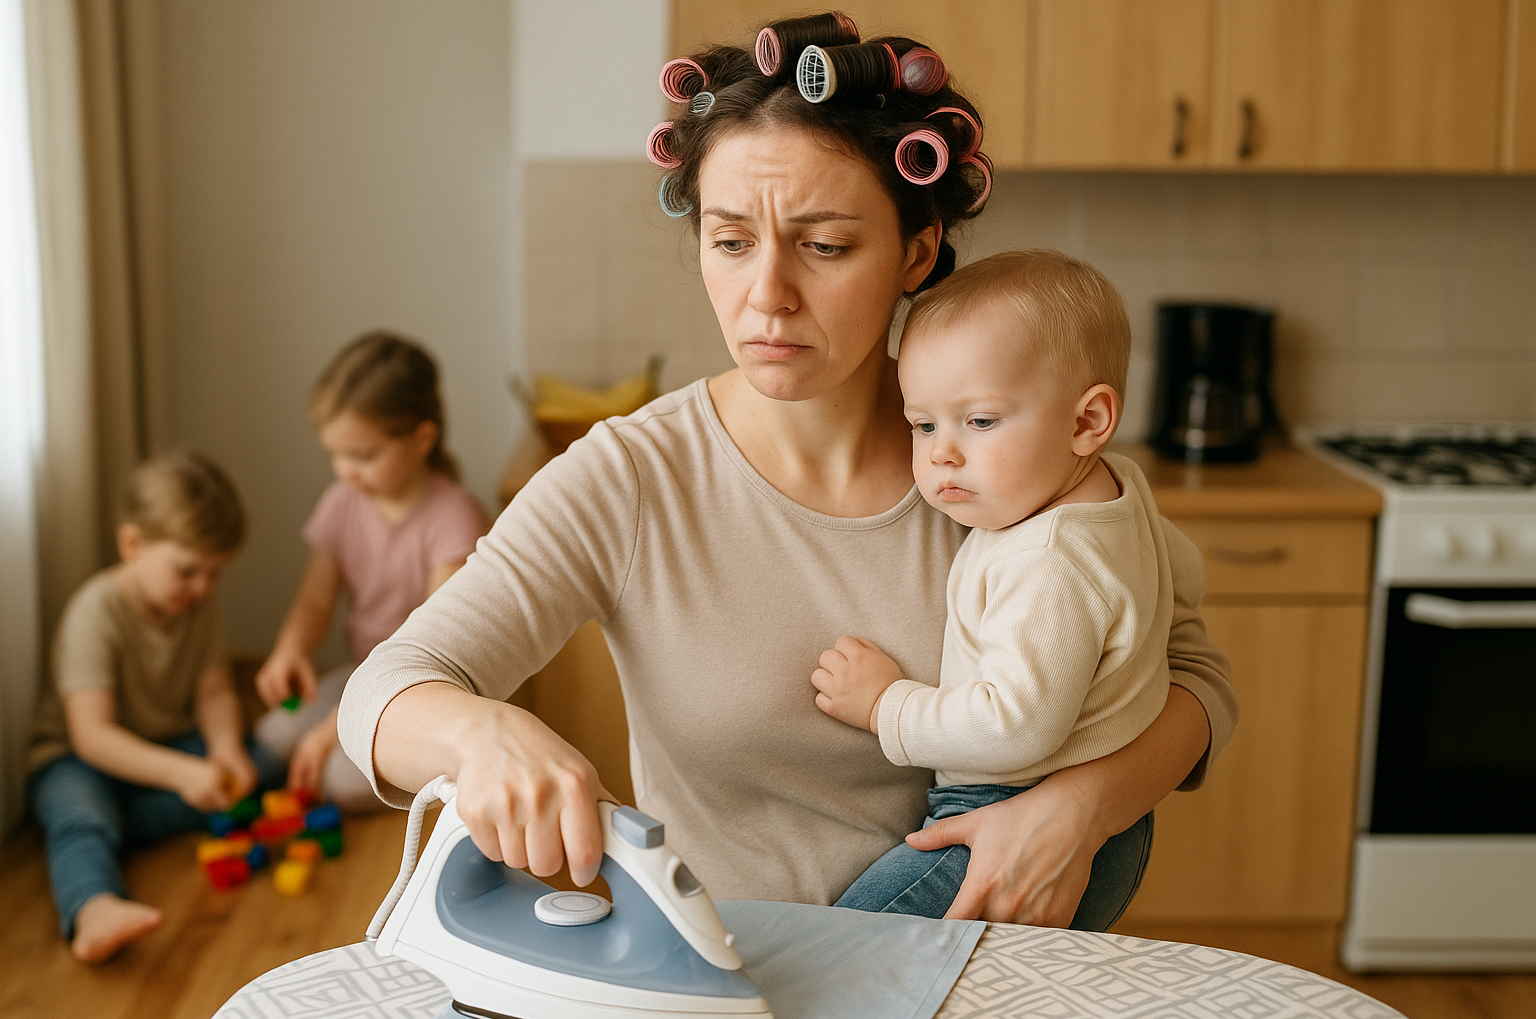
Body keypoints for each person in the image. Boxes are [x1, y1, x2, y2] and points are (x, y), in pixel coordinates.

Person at [338, 15, 1237, 927]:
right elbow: (384, 688)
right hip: (737, 981)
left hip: (993, 967)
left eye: (825, 245)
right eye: (731, 242)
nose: (768, 295)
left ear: (916, 251)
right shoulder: (634, 476)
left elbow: (1195, 674)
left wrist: (1081, 811)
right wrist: (482, 731)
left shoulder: (1000, 451)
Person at [814, 249, 1181, 922]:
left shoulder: (1046, 558)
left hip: (1007, 817)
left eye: (979, 421)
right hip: (1107, 824)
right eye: (923, 424)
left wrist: (884, 706)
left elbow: (1015, 727)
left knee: (840, 951)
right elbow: (1184, 574)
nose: (942, 453)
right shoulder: (1116, 491)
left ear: (1086, 422)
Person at [25, 452, 282, 963]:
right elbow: (92, 736)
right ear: (132, 545)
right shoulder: (94, 612)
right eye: (188, 571)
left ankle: (124, 822)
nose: (204, 588)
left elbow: (213, 693)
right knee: (80, 810)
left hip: (162, 747)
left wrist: (225, 749)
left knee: (263, 760)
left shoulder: (199, 609)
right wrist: (183, 773)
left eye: (215, 574)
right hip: (76, 758)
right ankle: (94, 906)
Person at [254, 331, 489, 812]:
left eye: (363, 456)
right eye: (335, 455)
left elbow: (432, 649)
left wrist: (328, 734)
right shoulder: (342, 504)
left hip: (421, 688)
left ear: (423, 439)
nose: (346, 471)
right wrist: (290, 649)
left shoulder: (453, 516)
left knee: (341, 780)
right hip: (361, 677)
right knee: (273, 733)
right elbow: (315, 601)